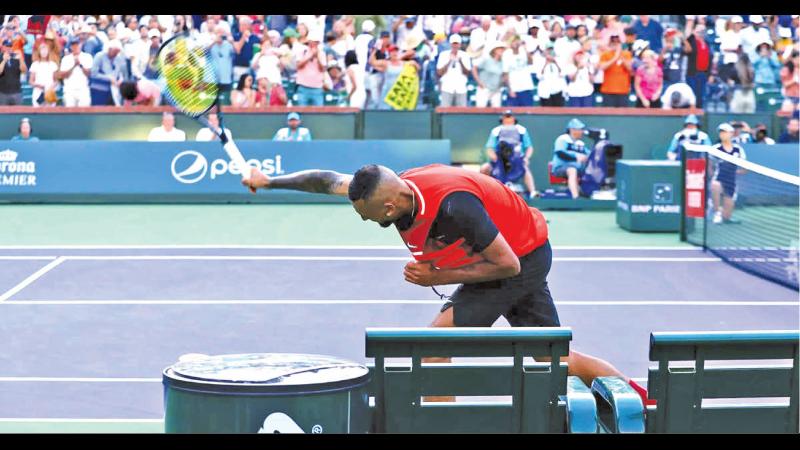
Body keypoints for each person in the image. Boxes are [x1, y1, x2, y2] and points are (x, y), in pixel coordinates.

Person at [239, 162, 653, 408]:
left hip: (519, 260)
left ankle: (443, 423)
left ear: (388, 205)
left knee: (434, 350)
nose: (364, 220)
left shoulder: (455, 207)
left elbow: (506, 265)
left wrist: (438, 277)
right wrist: (269, 180)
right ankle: (636, 397)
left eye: (366, 215)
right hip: (520, 250)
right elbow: (324, 180)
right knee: (553, 358)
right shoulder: (390, 187)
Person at [480, 110, 537, 199]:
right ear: (502, 119)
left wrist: (526, 158)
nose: (508, 119)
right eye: (506, 117)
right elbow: (489, 148)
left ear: (514, 119)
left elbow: (529, 147)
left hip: (517, 160)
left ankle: (532, 192)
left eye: (510, 117)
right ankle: (482, 192)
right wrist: (494, 158)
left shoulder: (521, 130)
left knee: (525, 169)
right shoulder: (496, 131)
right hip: (499, 160)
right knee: (484, 168)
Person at [710, 123, 747, 225]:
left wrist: (736, 172)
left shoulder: (738, 149)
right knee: (715, 186)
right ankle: (716, 212)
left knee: (726, 217)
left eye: (725, 132)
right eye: (721, 132)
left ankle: (724, 214)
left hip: (732, 182)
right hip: (719, 178)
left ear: (731, 134)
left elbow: (745, 168)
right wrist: (712, 176)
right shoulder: (715, 148)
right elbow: (709, 165)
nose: (723, 134)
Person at [550, 118, 591, 199]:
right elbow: (560, 152)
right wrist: (576, 156)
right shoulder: (563, 139)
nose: (582, 132)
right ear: (572, 130)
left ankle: (587, 194)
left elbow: (589, 155)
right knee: (572, 170)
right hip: (560, 169)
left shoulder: (580, 143)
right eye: (580, 129)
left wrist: (587, 157)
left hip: (579, 169)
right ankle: (575, 197)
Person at [598, 32, 633, 107]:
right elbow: (602, 67)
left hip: (623, 90)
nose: (615, 43)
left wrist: (620, 55)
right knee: (608, 115)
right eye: (613, 41)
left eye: (617, 41)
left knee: (623, 115)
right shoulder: (605, 54)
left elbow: (630, 68)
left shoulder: (627, 54)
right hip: (608, 90)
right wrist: (615, 57)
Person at [436, 34, 471, 107]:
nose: (455, 46)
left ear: (460, 44)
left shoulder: (465, 55)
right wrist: (449, 61)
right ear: (450, 44)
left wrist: (460, 61)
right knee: (445, 111)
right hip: (447, 87)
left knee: (461, 112)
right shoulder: (443, 55)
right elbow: (439, 72)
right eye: (453, 44)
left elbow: (467, 72)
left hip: (461, 87)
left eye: (457, 44)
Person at [57, 36, 93, 107]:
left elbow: (89, 74)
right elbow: (62, 75)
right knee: (69, 113)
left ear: (80, 45)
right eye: (73, 45)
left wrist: (80, 65)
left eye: (77, 44)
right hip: (69, 90)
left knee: (85, 111)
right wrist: (73, 65)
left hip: (83, 89)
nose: (75, 46)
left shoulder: (87, 56)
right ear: (70, 46)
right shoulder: (65, 59)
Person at [294, 31, 326, 106]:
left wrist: (317, 57)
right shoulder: (302, 52)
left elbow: (323, 69)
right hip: (303, 87)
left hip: (317, 87)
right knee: (302, 111)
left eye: (316, 42)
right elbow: (298, 66)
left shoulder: (322, 53)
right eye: (313, 42)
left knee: (318, 113)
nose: (314, 44)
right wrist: (310, 56)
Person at [471, 41, 506, 108]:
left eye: (502, 49)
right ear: (494, 50)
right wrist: (479, 82)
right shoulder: (487, 60)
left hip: (496, 90)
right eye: (500, 48)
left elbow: (503, 75)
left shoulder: (502, 62)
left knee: (497, 111)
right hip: (484, 89)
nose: (502, 50)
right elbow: (474, 69)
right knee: (480, 110)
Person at [502, 36, 535, 107]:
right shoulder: (506, 54)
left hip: (526, 87)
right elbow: (505, 73)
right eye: (513, 41)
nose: (516, 42)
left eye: (517, 40)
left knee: (528, 112)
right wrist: (510, 89)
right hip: (514, 88)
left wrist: (526, 49)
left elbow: (531, 62)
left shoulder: (523, 51)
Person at [28, 42, 58, 107]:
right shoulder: (35, 64)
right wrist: (38, 85)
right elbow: (31, 81)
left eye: (45, 50)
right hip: (38, 92)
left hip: (50, 92)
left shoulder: (53, 65)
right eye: (42, 50)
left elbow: (56, 80)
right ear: (39, 52)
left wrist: (51, 86)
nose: (44, 52)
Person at [0, 38, 27, 105]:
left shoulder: (16, 57)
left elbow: (24, 71)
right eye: (7, 46)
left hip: (17, 92)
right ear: (3, 47)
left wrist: (21, 59)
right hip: (3, 93)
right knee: (3, 114)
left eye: (10, 46)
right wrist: (4, 60)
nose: (9, 48)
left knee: (18, 114)